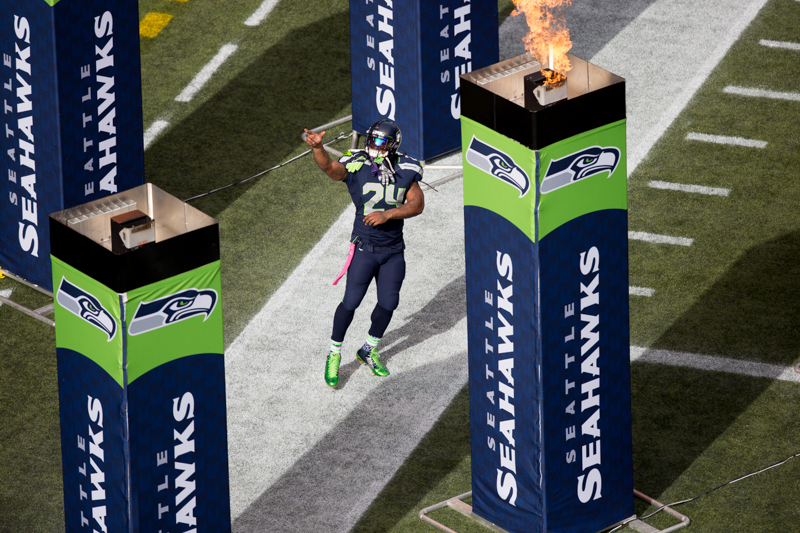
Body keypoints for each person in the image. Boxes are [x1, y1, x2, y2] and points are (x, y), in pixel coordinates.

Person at [304, 120, 425, 388]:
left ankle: (368, 350)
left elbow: (417, 204)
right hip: (364, 248)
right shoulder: (358, 163)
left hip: (393, 250)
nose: (373, 145)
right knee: (351, 301)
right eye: (371, 139)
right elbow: (330, 168)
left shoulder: (405, 167)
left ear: (393, 145)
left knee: (389, 302)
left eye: (380, 142)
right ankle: (334, 353)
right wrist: (319, 148)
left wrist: (388, 214)